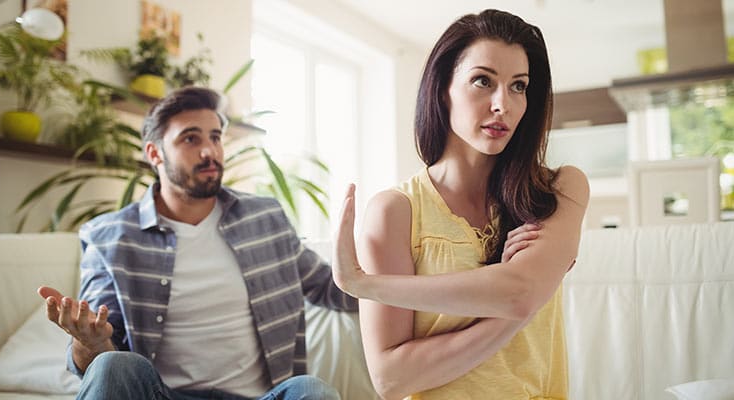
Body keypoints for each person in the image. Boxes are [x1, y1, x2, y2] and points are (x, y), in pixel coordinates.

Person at [331, 9, 589, 400]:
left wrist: (365, 285)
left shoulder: (560, 189)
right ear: (442, 90)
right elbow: (391, 379)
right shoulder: (396, 212)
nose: (502, 103)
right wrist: (517, 302)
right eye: (483, 81)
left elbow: (518, 294)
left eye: (518, 86)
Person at [37, 86, 357, 400]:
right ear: (154, 153)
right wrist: (88, 342)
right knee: (112, 365)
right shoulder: (109, 237)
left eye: (215, 137)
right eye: (191, 138)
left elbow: (330, 289)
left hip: (261, 397)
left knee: (313, 391)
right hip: (160, 395)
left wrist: (392, 272)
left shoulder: (265, 219)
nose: (210, 152)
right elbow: (100, 359)